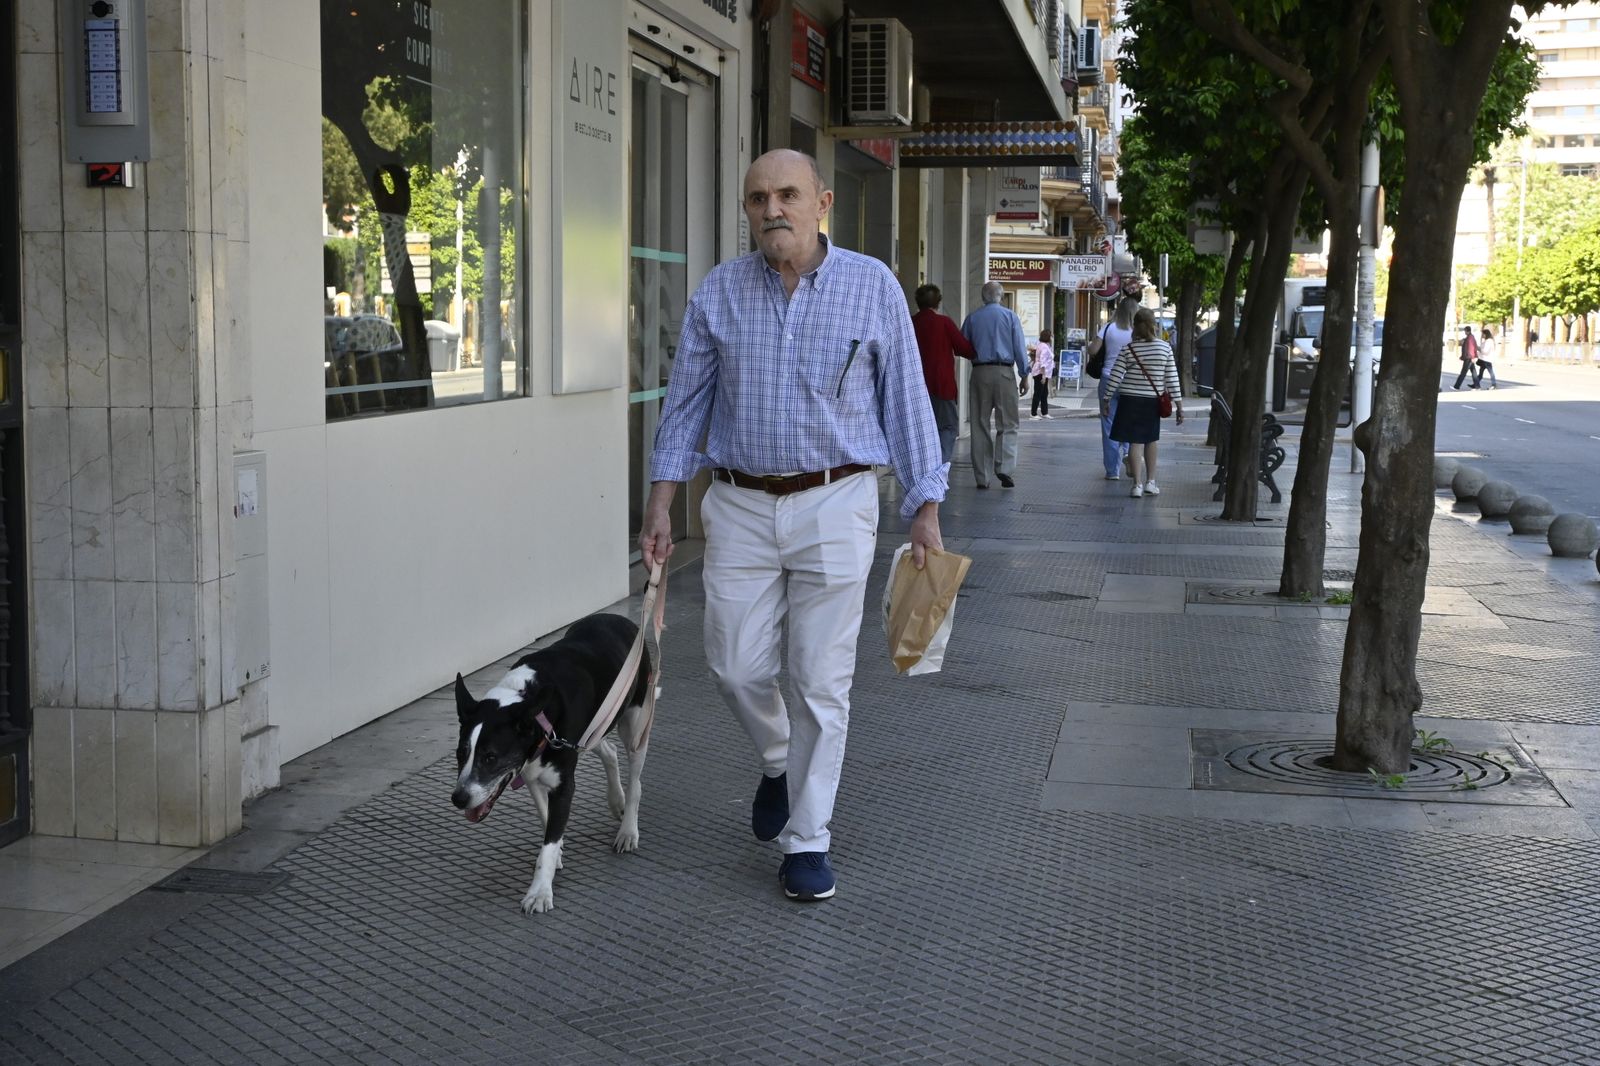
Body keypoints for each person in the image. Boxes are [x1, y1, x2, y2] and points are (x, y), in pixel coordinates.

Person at [638, 150, 946, 904]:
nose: (771, 209)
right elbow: (684, 405)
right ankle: (779, 759)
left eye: (786, 195)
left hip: (838, 502)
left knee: (820, 677)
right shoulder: (720, 292)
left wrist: (925, 507)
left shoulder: (872, 286)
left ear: (822, 202)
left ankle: (808, 839)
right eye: (757, 198)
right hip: (738, 504)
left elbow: (907, 402)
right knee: (733, 665)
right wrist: (660, 501)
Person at [1101, 307, 1184, 497]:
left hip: (1129, 400)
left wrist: (1106, 398)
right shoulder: (1164, 348)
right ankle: (1150, 482)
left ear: (1135, 327)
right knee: (1151, 441)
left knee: (1135, 442)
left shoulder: (1128, 349)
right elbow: (1172, 378)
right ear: (1153, 325)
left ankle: (1136, 485)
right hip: (1151, 402)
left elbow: (1115, 375)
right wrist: (1179, 406)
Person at [960, 281, 1031, 489]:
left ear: (983, 297)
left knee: (979, 423)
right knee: (1008, 423)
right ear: (1001, 296)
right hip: (1004, 371)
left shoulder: (972, 318)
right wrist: (1024, 374)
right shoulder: (1010, 317)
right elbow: (1019, 347)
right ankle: (1005, 469)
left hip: (980, 371)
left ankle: (982, 476)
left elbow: (964, 346)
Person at [911, 283, 977, 462]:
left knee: (920, 430)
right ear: (938, 302)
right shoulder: (944, 323)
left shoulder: (910, 323)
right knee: (947, 426)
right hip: (942, 385)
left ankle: (923, 464)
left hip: (915, 387)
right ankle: (940, 464)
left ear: (917, 302)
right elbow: (965, 349)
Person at [1092, 296, 1138, 479]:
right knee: (1129, 421)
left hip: (1108, 378)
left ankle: (1112, 470)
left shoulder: (1108, 328)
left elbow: (1093, 350)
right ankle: (1128, 454)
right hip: (1131, 381)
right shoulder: (1136, 332)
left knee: (1108, 424)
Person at [1029, 329, 1055, 420]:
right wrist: (1043, 376)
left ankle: (1044, 412)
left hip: (1044, 373)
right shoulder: (1044, 347)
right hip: (1041, 373)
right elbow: (1043, 361)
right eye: (1051, 336)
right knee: (1038, 393)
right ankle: (1033, 413)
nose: (1052, 337)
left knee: (1044, 393)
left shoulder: (1042, 345)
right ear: (1048, 337)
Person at [1452, 325, 1479, 390]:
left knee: (1463, 373)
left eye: (1465, 331)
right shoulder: (1471, 337)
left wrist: (1472, 357)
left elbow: (1470, 348)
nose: (1464, 332)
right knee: (1474, 373)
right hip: (1470, 357)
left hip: (1468, 358)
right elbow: (1474, 347)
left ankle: (1456, 386)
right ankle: (1477, 386)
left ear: (1467, 331)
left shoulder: (1469, 338)